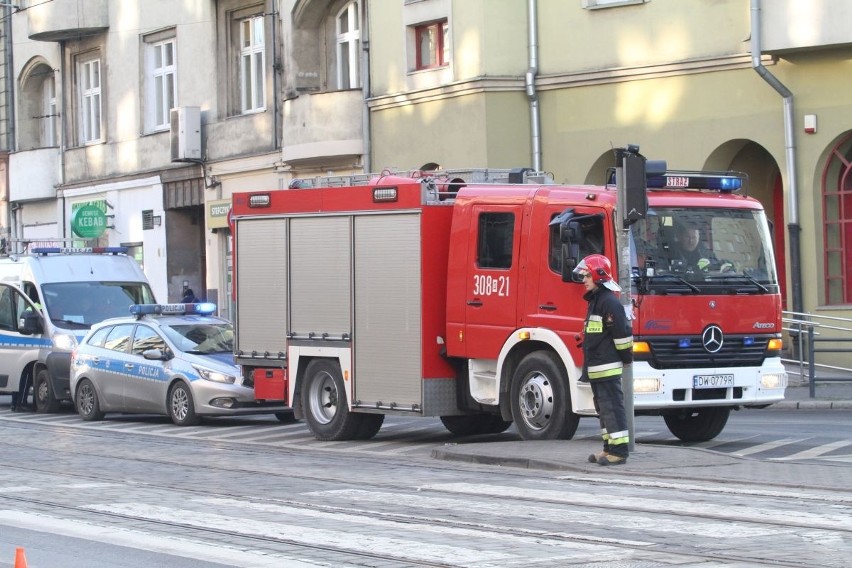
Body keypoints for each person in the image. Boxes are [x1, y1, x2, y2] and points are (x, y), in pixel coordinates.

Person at [573, 254, 633, 466]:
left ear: (599, 275)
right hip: (597, 367)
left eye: (588, 275)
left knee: (613, 409)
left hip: (606, 367)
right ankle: (609, 448)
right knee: (604, 410)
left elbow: (623, 335)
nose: (584, 279)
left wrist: (627, 358)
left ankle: (619, 451)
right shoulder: (596, 300)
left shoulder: (609, 302)